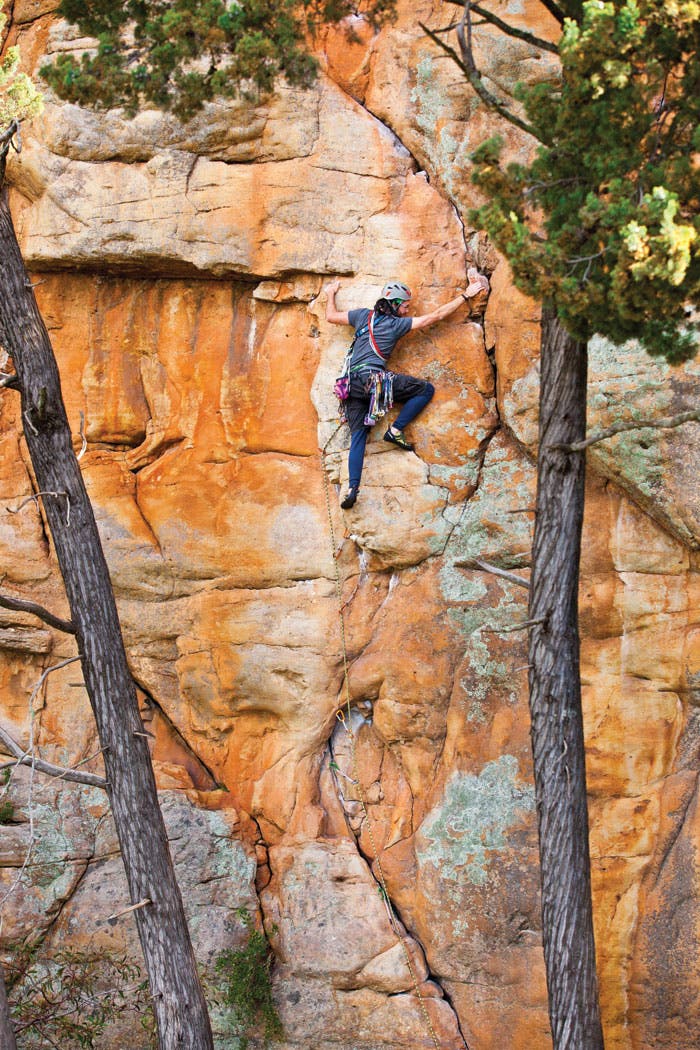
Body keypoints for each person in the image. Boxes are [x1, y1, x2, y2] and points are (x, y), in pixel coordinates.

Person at [325, 275, 488, 509]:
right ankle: (395, 430)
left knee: (358, 436)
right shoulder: (396, 325)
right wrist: (466, 295)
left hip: (350, 385)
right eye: (405, 305)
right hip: (373, 382)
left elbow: (330, 316)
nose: (407, 309)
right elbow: (435, 317)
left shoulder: (362, 316)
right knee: (425, 390)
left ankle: (352, 489)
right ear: (394, 304)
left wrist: (330, 293)